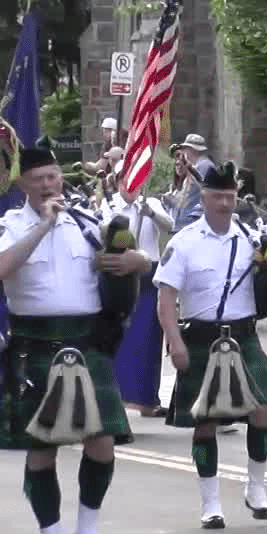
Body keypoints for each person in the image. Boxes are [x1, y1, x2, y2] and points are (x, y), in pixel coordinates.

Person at [0, 141, 148, 534]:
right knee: (42, 448)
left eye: (53, 177)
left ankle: (87, 533)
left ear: (62, 178)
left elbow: (134, 261)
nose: (47, 185)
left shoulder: (87, 223)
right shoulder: (9, 225)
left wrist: (137, 260)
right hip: (34, 344)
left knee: (102, 441)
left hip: (85, 342)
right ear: (22, 184)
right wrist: (43, 225)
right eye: (38, 179)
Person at [154, 160, 267, 528]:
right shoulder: (184, 243)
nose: (224, 203)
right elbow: (166, 298)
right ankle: (211, 503)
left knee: (262, 410)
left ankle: (256, 488)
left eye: (230, 196)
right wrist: (174, 343)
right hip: (201, 336)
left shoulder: (252, 238)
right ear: (203, 199)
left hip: (243, 336)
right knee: (205, 421)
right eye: (217, 196)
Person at [105, 172, 173, 417]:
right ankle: (117, 397)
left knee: (149, 341)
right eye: (128, 180)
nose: (134, 186)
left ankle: (147, 399)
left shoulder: (151, 203)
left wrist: (150, 213)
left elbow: (170, 226)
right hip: (121, 276)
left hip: (149, 278)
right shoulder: (108, 204)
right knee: (120, 340)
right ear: (119, 181)